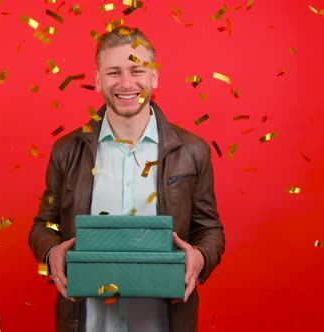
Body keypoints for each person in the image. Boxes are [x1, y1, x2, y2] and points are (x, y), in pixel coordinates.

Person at [29, 25, 225, 332]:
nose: (126, 83)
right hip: (86, 322)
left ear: (154, 77)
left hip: (165, 323)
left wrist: (200, 257)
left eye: (137, 70)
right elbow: (44, 226)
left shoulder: (192, 151)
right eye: (113, 72)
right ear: (97, 80)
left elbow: (210, 231)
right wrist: (52, 252)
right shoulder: (67, 151)